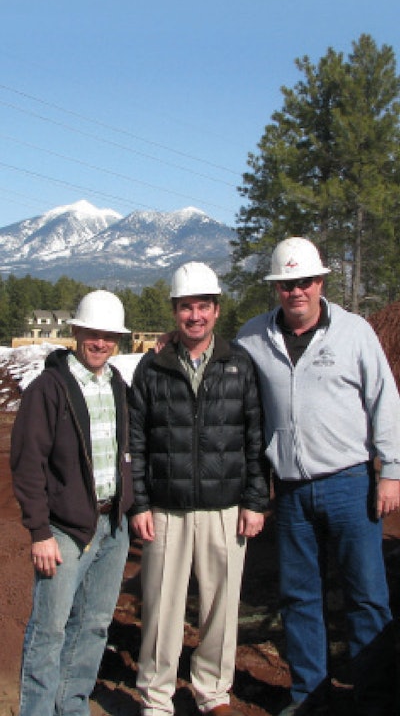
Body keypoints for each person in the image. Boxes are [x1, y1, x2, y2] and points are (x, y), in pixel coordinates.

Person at [237, 236, 400, 716]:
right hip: (288, 492)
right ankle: (310, 696)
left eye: (304, 281)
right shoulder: (252, 338)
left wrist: (391, 470)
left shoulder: (354, 332)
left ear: (321, 281)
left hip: (350, 483)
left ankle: (376, 699)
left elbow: (384, 400)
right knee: (298, 596)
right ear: (276, 289)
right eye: (286, 284)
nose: (296, 291)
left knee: (367, 597)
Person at [129, 260, 269, 716]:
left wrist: (254, 499)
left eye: (203, 306)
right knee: (161, 609)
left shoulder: (239, 364)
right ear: (174, 311)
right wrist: (140, 503)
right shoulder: (151, 370)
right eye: (186, 307)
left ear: (216, 310)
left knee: (220, 609)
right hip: (165, 508)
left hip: (225, 508)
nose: (195, 316)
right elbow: (136, 440)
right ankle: (156, 696)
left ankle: (213, 692)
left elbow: (254, 436)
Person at [10, 289, 134, 716]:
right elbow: (28, 463)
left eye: (108, 335)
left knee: (94, 626)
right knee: (50, 630)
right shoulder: (49, 388)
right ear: (76, 332)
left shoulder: (117, 384)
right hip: (63, 531)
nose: (100, 342)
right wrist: (39, 531)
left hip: (111, 527)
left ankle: (73, 706)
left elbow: (125, 451)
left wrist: (128, 505)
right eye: (92, 333)